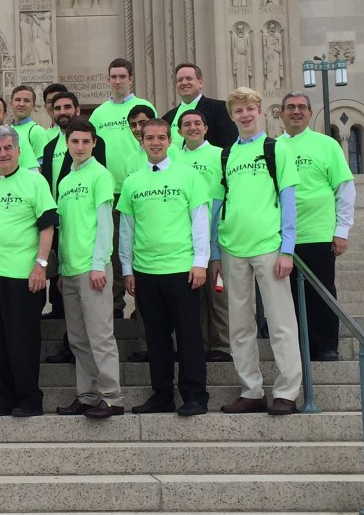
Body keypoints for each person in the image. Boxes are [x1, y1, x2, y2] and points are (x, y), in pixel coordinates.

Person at [211, 87, 302, 416]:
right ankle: (251, 390)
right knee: (239, 325)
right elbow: (218, 206)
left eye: (250, 108)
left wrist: (287, 249)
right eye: (239, 111)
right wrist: (215, 254)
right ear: (232, 116)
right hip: (232, 247)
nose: (245, 115)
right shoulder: (226, 155)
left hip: (268, 246)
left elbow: (289, 201)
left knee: (280, 323)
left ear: (260, 111)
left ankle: (288, 391)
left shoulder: (276, 149)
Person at [119, 118, 211, 416]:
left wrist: (200, 262)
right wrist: (127, 268)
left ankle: (195, 396)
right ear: (141, 142)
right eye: (149, 138)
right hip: (146, 272)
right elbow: (127, 230)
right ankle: (161, 395)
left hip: (182, 269)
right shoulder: (133, 181)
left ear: (170, 140)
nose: (155, 143)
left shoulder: (189, 176)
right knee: (156, 339)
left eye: (161, 137)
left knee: (188, 336)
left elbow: (200, 221)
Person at [0, 125, 57, 417]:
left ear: (19, 150)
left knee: (22, 341)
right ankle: (4, 399)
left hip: (24, 276)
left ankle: (29, 400)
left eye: (8, 148)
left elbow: (47, 226)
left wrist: (41, 265)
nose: (3, 153)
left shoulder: (34, 182)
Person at [54, 119, 124, 419]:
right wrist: (60, 270)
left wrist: (99, 265)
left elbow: (105, 225)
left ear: (94, 143)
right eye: (74, 142)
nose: (79, 147)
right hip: (70, 271)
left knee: (100, 336)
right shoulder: (65, 181)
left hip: (93, 269)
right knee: (78, 339)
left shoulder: (101, 176)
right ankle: (87, 395)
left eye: (85, 141)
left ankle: (112, 397)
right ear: (67, 145)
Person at [280, 91, 355, 362]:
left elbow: (344, 188)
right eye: (290, 107)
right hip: (280, 237)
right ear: (281, 114)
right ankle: (299, 346)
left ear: (310, 114)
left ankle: (326, 345)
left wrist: (341, 231)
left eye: (302, 107)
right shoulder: (273, 147)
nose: (296, 111)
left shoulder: (327, 145)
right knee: (287, 295)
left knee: (321, 291)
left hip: (318, 233)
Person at [90, 58, 156, 320]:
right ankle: (115, 307)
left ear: (130, 79)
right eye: (113, 76)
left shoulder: (144, 107)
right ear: (108, 80)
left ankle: (144, 309)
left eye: (122, 76)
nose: (117, 81)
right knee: (115, 251)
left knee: (143, 250)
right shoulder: (99, 114)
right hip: (112, 192)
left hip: (142, 190)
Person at [174, 108, 231, 363]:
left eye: (197, 123)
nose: (192, 128)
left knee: (217, 293)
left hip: (216, 237)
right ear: (179, 131)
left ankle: (221, 345)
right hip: (186, 242)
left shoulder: (220, 156)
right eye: (187, 124)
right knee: (194, 298)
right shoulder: (174, 160)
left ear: (206, 128)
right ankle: (201, 344)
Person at [40, 89, 82, 348]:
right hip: (56, 219)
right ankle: (64, 336)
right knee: (59, 277)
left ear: (76, 110)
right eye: (57, 108)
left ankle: (73, 342)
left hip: (77, 221)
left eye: (67, 107)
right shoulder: (49, 145)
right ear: (51, 113)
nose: (62, 112)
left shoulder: (86, 141)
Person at [164, 63, 238, 147]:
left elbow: (229, 144)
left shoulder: (220, 108)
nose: (184, 83)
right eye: (180, 80)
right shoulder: (167, 117)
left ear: (200, 82)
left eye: (189, 78)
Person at [10, 85, 49, 165]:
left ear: (33, 106)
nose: (21, 104)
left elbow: (42, 166)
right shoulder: (7, 130)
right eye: (17, 100)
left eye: (26, 101)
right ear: (11, 104)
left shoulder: (37, 131)